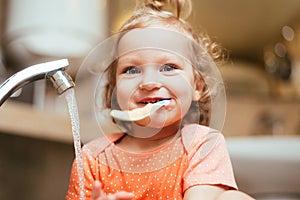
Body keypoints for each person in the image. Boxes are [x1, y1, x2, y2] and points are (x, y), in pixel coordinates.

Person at [66, 0, 254, 199]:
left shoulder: (202, 144)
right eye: (131, 70)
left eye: (169, 67)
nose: (149, 82)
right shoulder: (92, 158)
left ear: (197, 86)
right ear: (114, 89)